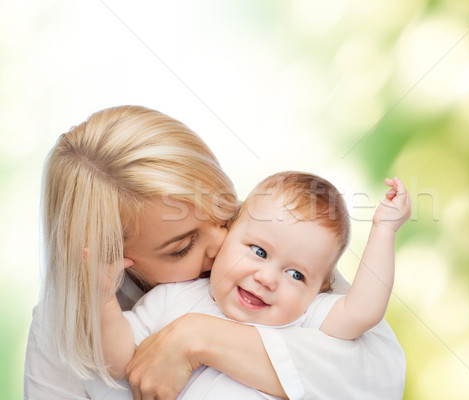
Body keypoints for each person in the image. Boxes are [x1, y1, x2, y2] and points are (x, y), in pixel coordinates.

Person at [23, 105, 407, 400]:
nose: (222, 245)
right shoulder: (68, 321)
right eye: (183, 247)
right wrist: (103, 302)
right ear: (112, 257)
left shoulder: (280, 246)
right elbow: (119, 361)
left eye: (225, 214)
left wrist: (197, 337)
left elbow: (377, 374)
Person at [100, 172, 411, 398]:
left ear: (321, 288)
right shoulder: (172, 296)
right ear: (228, 231)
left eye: (296, 275)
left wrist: (384, 231)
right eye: (259, 252)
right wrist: (102, 299)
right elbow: (120, 363)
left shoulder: (307, 318)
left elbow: (365, 310)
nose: (267, 279)